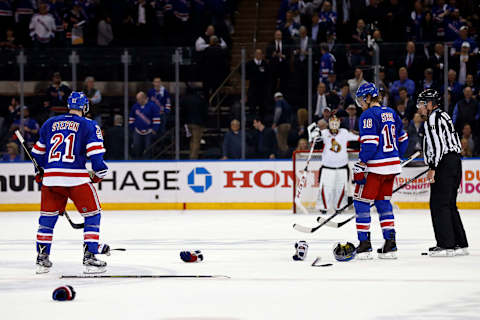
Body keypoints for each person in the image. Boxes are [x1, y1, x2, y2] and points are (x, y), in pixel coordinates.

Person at [31, 92, 109, 274]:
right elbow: (98, 163)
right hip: (76, 179)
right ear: (85, 107)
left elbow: (37, 154)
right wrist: (99, 175)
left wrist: (40, 170)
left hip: (51, 180)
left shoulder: (50, 123)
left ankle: (42, 259)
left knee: (46, 221)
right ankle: (89, 256)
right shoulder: (89, 124)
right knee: (93, 215)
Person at [353, 82, 408, 260]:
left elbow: (370, 144)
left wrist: (361, 163)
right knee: (383, 203)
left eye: (362, 99)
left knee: (361, 202)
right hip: (391, 167)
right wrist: (396, 155)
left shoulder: (367, 115)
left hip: (375, 167)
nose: (361, 103)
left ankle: (364, 245)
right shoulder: (391, 112)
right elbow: (403, 138)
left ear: (369, 98)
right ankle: (390, 243)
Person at [416, 89, 468, 257]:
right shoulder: (443, 115)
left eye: (422, 104)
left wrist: (432, 167)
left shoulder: (432, 119)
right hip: (454, 163)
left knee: (439, 204)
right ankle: (459, 243)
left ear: (431, 104)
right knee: (450, 204)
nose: (420, 107)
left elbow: (438, 145)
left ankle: (446, 244)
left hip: (444, 164)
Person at [309, 116, 359, 214]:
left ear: (339, 124)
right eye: (332, 123)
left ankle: (340, 207)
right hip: (327, 167)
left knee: (341, 188)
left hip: (342, 167)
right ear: (329, 124)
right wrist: (314, 134)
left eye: (336, 123)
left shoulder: (344, 132)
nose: (334, 126)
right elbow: (315, 143)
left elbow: (357, 138)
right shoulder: (324, 133)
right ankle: (323, 207)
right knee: (325, 188)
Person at [128, 91, 161, 159]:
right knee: (136, 147)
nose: (137, 101)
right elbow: (131, 118)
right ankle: (137, 160)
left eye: (139, 99)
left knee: (148, 148)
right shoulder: (135, 106)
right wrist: (132, 128)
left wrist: (155, 129)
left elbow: (156, 119)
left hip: (149, 131)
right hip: (137, 130)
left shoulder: (152, 106)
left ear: (144, 98)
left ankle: (148, 161)